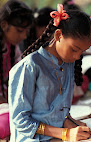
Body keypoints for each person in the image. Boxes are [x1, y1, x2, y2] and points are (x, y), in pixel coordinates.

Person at [8, 4, 91, 142]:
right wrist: (65, 134)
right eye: (74, 49)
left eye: (82, 52)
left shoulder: (67, 63)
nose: (78, 56)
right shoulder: (29, 66)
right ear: (58, 35)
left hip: (57, 135)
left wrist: (68, 121)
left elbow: (57, 109)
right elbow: (21, 120)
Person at [0, 0, 33, 139]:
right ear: (3, 25)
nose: (24, 36)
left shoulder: (12, 46)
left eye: (26, 31)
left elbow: (20, 71)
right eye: (20, 31)